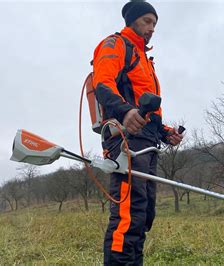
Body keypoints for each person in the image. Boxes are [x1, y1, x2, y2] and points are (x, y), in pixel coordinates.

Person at [91, 1, 183, 264]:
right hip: (125, 138)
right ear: (132, 21)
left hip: (148, 141)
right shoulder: (115, 44)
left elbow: (148, 112)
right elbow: (103, 83)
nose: (152, 28)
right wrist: (124, 111)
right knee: (128, 213)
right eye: (146, 21)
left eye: (154, 23)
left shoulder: (145, 59)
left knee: (143, 214)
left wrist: (166, 133)